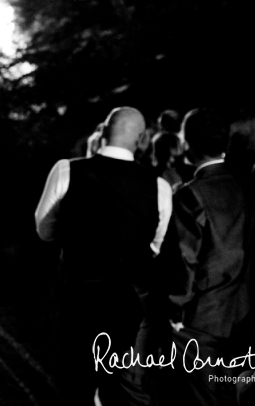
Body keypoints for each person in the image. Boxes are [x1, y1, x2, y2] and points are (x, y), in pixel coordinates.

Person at [35, 107, 173, 406]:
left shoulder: (66, 170)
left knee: (75, 380)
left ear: (106, 131)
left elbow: (44, 230)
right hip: (127, 301)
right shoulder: (159, 186)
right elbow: (156, 245)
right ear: (141, 139)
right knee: (119, 383)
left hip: (77, 294)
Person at [159, 109, 255, 406]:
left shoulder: (192, 195)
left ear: (187, 143)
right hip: (249, 311)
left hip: (202, 321)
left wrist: (175, 313)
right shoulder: (253, 185)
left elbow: (183, 262)